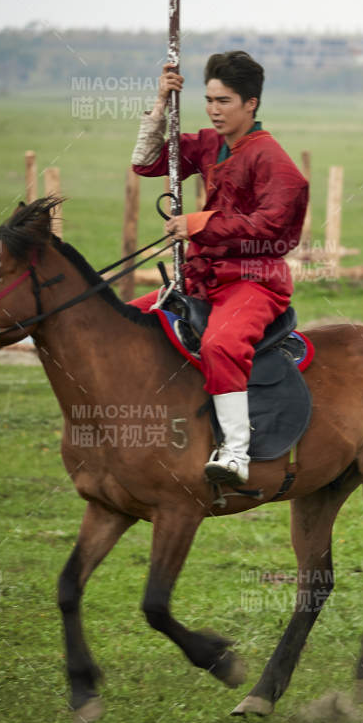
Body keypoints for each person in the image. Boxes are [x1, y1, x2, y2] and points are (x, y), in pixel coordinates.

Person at [129, 51, 308, 486]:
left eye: (224, 101)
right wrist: (159, 104)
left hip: (254, 282)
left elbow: (275, 229)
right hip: (201, 279)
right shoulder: (210, 144)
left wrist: (199, 224)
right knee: (128, 323)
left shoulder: (275, 162)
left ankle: (235, 453)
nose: (213, 109)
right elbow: (148, 163)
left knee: (221, 345)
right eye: (209, 99)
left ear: (251, 104)